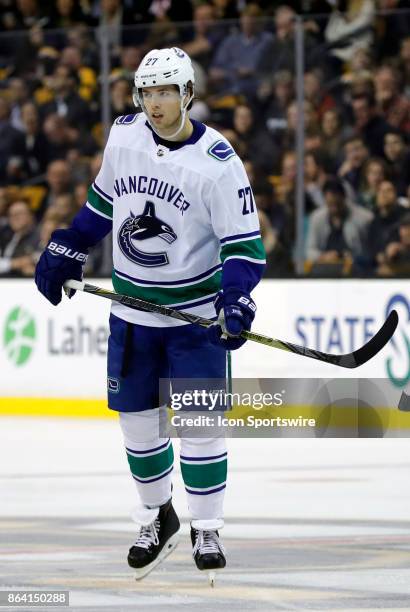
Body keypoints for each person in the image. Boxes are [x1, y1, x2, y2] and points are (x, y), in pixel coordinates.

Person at [34, 47, 265, 582]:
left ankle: (205, 527)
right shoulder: (125, 135)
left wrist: (236, 299)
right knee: (138, 427)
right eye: (147, 92)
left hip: (193, 319)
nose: (155, 103)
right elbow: (103, 201)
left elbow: (244, 249)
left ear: (188, 94)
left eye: (166, 91)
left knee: (201, 427)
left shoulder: (219, 164)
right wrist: (71, 242)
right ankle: (157, 517)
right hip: (133, 313)